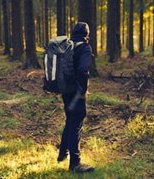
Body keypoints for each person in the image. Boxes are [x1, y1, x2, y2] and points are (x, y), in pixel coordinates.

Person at [57, 22, 95, 173]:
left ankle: (62, 153)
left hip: (66, 90)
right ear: (86, 34)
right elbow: (83, 70)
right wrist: (83, 90)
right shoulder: (84, 47)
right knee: (76, 125)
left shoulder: (68, 45)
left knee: (70, 121)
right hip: (77, 92)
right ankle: (75, 163)